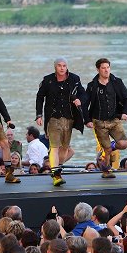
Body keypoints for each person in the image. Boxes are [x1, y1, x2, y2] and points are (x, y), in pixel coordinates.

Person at [82, 58, 127, 179]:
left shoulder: (117, 82)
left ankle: (109, 147)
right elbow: (85, 104)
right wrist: (87, 120)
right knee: (107, 150)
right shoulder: (92, 86)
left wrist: (125, 112)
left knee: (124, 144)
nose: (106, 70)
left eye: (108, 67)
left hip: (114, 121)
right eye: (103, 68)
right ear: (98, 69)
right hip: (99, 122)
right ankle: (106, 171)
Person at [36, 57, 85, 187]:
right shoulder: (48, 80)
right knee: (54, 147)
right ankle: (56, 174)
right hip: (53, 118)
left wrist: (79, 100)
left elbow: (83, 94)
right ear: (55, 67)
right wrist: (39, 115)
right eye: (59, 65)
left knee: (65, 148)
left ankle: (56, 169)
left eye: (64, 65)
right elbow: (40, 97)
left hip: (69, 118)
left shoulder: (74, 79)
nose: (62, 68)